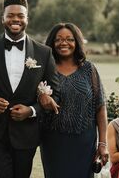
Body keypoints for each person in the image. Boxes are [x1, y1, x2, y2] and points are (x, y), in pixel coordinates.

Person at [0, 0, 60, 178]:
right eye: (10, 15)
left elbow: (56, 94)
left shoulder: (44, 52)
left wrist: (31, 110)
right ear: (3, 19)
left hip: (26, 135)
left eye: (20, 16)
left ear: (27, 19)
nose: (15, 19)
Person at [39, 22, 109, 178]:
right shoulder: (45, 69)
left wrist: (102, 144)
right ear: (52, 42)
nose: (64, 43)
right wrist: (40, 95)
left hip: (84, 142)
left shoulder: (89, 69)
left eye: (69, 39)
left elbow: (100, 107)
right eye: (58, 39)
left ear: (77, 42)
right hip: (53, 142)